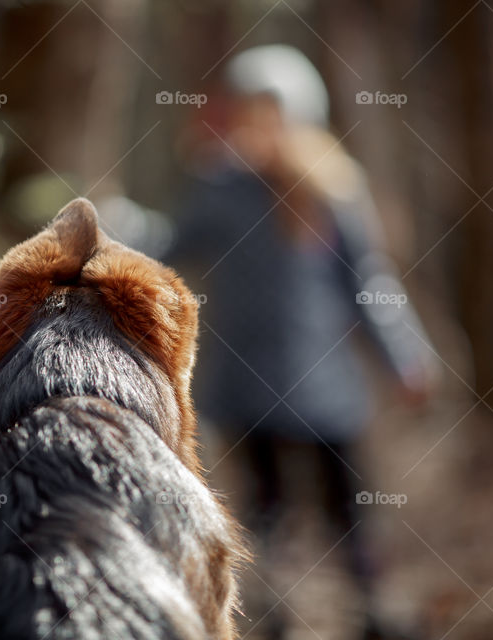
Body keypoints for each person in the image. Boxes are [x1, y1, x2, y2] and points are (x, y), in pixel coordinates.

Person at [167, 44, 434, 640]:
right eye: (247, 113)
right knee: (265, 513)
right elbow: (168, 247)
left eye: (269, 113)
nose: (257, 127)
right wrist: (109, 228)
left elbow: (371, 286)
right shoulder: (219, 187)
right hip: (246, 387)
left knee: (348, 509)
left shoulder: (336, 190)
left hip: (325, 385)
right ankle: (265, 618)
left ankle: (375, 612)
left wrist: (406, 358)